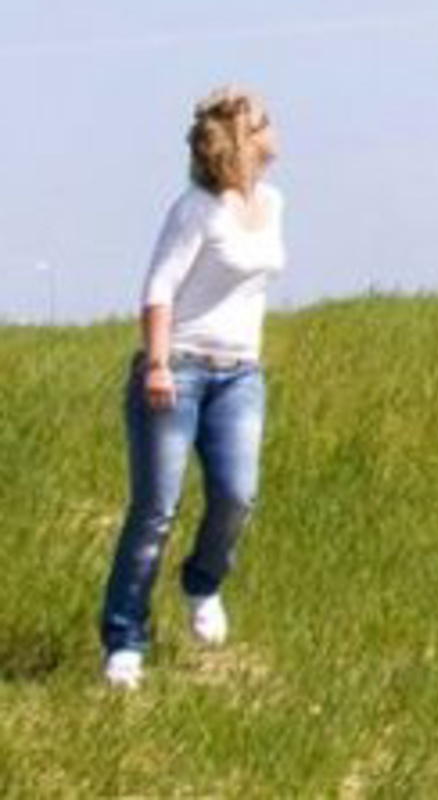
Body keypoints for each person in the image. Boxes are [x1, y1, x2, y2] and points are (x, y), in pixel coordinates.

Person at [97, 88, 284, 690]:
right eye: (266, 123)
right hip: (177, 369)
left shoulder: (274, 203)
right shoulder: (195, 211)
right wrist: (156, 365)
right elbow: (158, 290)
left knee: (237, 495)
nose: (276, 130)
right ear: (242, 139)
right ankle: (124, 640)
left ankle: (202, 581)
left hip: (241, 374)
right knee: (156, 510)